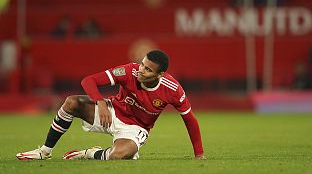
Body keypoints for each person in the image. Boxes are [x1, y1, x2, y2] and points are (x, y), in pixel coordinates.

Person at [16, 50, 205, 160]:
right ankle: (45, 152)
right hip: (112, 111)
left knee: (120, 155)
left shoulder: (172, 89)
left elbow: (190, 120)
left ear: (160, 74)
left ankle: (90, 153)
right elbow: (88, 81)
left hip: (136, 128)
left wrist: (199, 154)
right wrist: (101, 102)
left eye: (148, 69)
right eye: (142, 64)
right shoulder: (129, 71)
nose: (141, 70)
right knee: (72, 102)